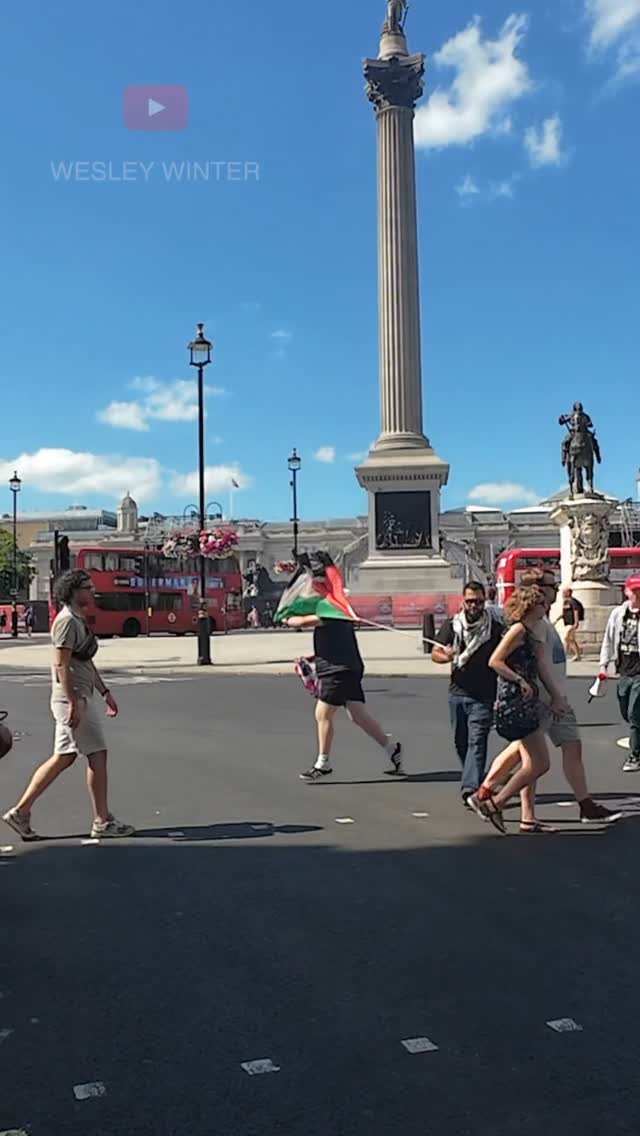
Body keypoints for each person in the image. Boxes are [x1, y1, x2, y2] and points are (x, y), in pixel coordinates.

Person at [3, 569, 134, 841]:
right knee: (96, 753)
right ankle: (102, 820)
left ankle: (21, 812)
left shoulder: (78, 619)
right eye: (88, 587)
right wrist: (74, 701)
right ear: (73, 591)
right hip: (72, 698)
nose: (92, 591)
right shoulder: (66, 622)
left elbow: (84, 661)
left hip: (79, 696)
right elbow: (61, 664)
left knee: (66, 756)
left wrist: (105, 691)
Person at [482, 568, 620, 827]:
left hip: (549, 698)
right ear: (535, 593)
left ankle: (518, 810)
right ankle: (492, 800)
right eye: (550, 588)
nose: (555, 592)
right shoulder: (528, 628)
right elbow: (510, 663)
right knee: (534, 760)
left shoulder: (540, 624)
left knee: (539, 755)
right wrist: (541, 691)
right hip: (541, 701)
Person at [467, 586, 551, 834]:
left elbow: (542, 669)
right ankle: (495, 802)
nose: (545, 608)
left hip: (526, 703)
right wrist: (519, 680)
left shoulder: (532, 633)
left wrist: (553, 697)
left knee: (535, 762)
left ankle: (496, 801)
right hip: (514, 704)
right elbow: (495, 660)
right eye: (541, 604)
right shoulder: (518, 630)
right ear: (530, 607)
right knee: (539, 763)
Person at [285, 609, 403, 782]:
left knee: (323, 714)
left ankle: (323, 763)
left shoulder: (330, 612)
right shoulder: (340, 614)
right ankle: (392, 749)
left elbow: (301, 622)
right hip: (348, 668)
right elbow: (335, 643)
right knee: (358, 715)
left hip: (337, 672)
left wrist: (286, 618)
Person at [432, 582, 504, 808]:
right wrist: (447, 657)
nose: (474, 606)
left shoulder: (494, 626)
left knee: (477, 741)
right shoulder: (453, 625)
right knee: (460, 742)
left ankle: (470, 788)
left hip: (484, 694)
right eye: (470, 601)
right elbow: (435, 653)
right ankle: (475, 777)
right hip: (457, 692)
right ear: (463, 601)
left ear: (485, 601)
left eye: (479, 601)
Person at [599, 575, 640, 773]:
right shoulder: (618, 614)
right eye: (635, 591)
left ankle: (635, 756)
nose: (638, 595)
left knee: (634, 714)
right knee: (625, 710)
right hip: (624, 670)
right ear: (627, 592)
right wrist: (603, 665)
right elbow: (608, 639)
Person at [560, 587, 583, 661]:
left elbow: (575, 611)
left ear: (569, 593)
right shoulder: (566, 602)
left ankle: (575, 655)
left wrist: (576, 622)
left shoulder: (572, 601)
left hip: (572, 623)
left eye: (564, 592)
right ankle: (574, 655)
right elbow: (565, 612)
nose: (563, 594)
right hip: (567, 623)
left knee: (568, 638)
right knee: (570, 639)